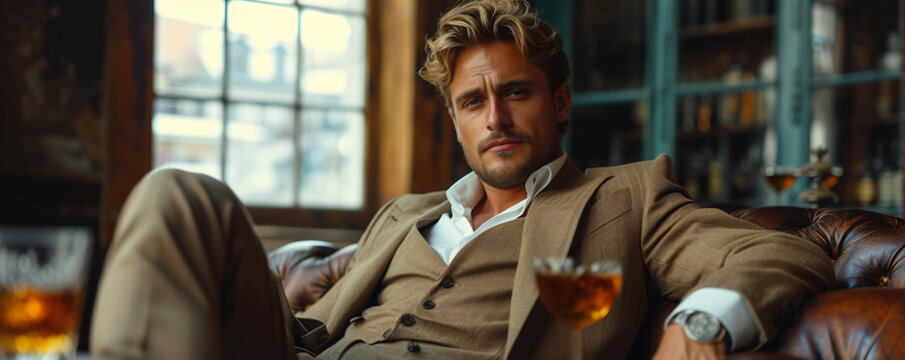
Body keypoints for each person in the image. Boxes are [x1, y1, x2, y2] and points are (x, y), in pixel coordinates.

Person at [90, 0, 835, 359]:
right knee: (177, 193)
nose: (495, 118)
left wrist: (698, 323)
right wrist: (275, 295)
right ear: (454, 121)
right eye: (473, 101)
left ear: (560, 103)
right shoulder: (403, 214)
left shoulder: (625, 196)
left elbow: (786, 250)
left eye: (515, 92)